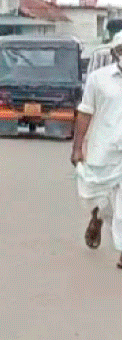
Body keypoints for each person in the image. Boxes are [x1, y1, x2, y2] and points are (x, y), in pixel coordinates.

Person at [72, 32, 122, 268]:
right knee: (97, 194)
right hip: (103, 148)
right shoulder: (98, 79)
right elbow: (85, 112)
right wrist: (77, 147)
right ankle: (98, 216)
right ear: (115, 53)